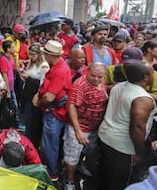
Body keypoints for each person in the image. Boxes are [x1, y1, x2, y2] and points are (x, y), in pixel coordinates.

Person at [98, 62, 157, 189]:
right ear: (145, 77)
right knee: (120, 183)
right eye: (152, 72)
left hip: (106, 137)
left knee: (105, 176)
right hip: (123, 148)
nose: (154, 74)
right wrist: (139, 153)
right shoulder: (143, 99)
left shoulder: (118, 86)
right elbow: (137, 127)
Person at [63, 62, 108, 190]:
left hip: (94, 128)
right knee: (71, 156)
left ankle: (79, 166)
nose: (96, 79)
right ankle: (69, 181)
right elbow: (71, 106)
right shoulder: (80, 85)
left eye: (100, 77)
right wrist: (78, 131)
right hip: (80, 127)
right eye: (93, 75)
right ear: (87, 71)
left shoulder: (101, 82)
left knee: (85, 151)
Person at [32, 40, 72, 181]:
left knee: (49, 143)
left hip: (53, 112)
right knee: (51, 142)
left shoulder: (60, 70)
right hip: (54, 110)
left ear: (49, 55)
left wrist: (39, 102)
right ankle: (52, 166)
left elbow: (49, 97)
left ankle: (52, 172)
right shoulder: (57, 66)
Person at [17, 43, 50, 147]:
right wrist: (21, 73)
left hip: (35, 96)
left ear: (38, 54)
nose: (30, 57)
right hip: (27, 94)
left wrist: (29, 79)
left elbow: (42, 83)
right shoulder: (32, 62)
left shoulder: (44, 66)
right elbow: (25, 77)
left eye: (33, 54)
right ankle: (27, 139)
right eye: (29, 54)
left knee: (33, 121)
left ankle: (32, 143)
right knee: (27, 119)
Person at [0, 40, 23, 130]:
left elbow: (16, 68)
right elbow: (4, 75)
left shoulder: (9, 58)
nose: (14, 49)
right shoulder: (3, 59)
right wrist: (8, 90)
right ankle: (15, 124)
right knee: (13, 106)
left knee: (13, 106)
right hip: (9, 87)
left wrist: (16, 58)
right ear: (8, 49)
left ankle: (15, 123)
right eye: (13, 47)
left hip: (12, 86)